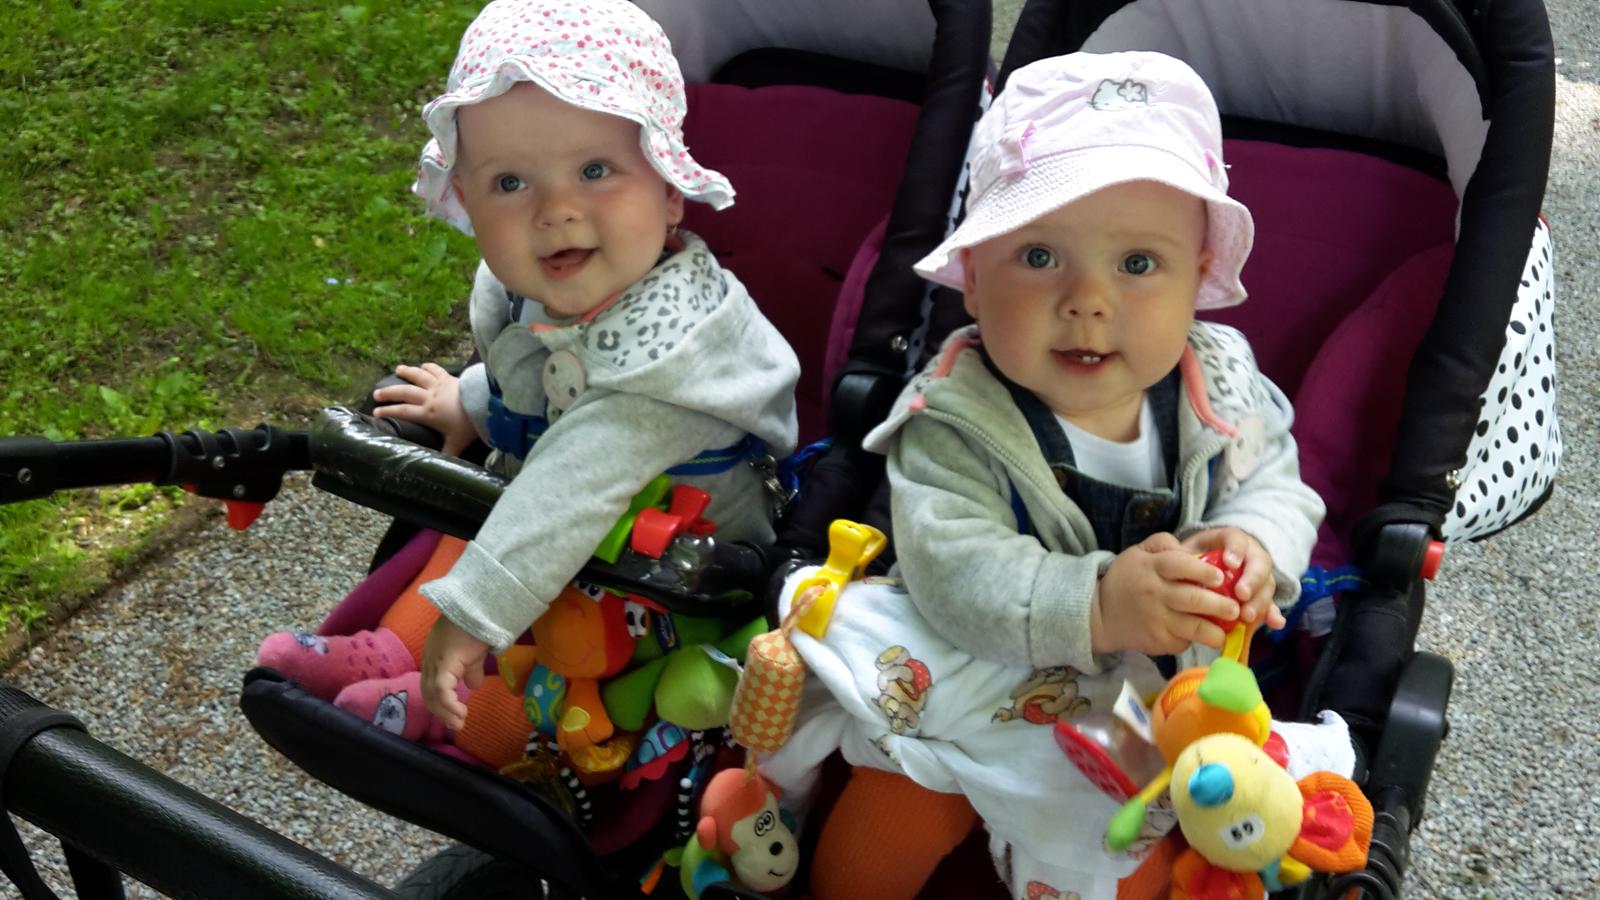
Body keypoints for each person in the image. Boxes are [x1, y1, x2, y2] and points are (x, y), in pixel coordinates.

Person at [757, 51, 1349, 899]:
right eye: (1039, 257)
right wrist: (1097, 603)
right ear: (973, 279)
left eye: (1137, 264)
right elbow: (952, 566)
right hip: (976, 668)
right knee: (883, 832)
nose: (1087, 300)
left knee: (1131, 851)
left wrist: (1252, 541)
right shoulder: (955, 415)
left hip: (1140, 701)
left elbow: (1278, 484)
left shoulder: (1220, 391)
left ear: (1196, 281)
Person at [257, 0, 799, 769]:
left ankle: (460, 707)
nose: (556, 210)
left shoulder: (677, 353)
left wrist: (475, 615)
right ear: (468, 199)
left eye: (595, 171)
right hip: (551, 522)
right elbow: (541, 378)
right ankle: (392, 649)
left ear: (670, 190)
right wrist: (475, 401)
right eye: (510, 181)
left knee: (538, 624)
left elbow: (571, 488)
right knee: (468, 531)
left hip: (672, 583)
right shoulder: (532, 292)